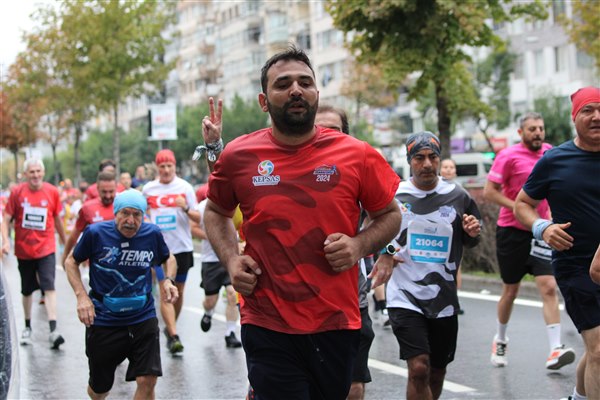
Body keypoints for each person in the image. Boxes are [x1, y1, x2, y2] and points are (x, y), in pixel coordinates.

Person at [202, 47, 402, 399]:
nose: (296, 90)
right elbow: (215, 211)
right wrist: (231, 260)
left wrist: (358, 245)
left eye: (305, 82)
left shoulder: (356, 153)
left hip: (335, 320)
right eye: (283, 84)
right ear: (264, 101)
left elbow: (390, 214)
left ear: (316, 94)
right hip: (266, 319)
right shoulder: (238, 155)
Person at [379, 132, 481, 400]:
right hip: (404, 295)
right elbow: (373, 232)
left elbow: (472, 239)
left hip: (443, 298)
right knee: (419, 368)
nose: (427, 164)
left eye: (433, 157)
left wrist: (472, 232)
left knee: (436, 372)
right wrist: (387, 251)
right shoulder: (394, 195)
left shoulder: (457, 195)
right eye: (419, 158)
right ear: (409, 161)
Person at [514, 86, 600, 400]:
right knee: (599, 349)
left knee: (596, 351)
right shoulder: (555, 160)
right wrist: (543, 227)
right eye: (587, 110)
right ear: (574, 117)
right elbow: (522, 204)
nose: (596, 117)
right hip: (575, 266)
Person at [64, 189, 179, 399]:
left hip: (142, 316)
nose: (130, 221)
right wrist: (82, 296)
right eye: (125, 213)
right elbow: (71, 261)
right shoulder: (95, 233)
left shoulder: (152, 233)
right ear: (115, 213)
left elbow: (168, 258)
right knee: (99, 390)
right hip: (105, 319)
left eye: (137, 215)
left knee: (148, 380)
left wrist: (168, 280)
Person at [484, 112, 575, 370]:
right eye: (532, 129)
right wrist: (520, 207)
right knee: (510, 291)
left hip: (542, 231)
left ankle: (555, 349)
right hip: (512, 232)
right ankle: (500, 338)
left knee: (548, 286)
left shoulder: (550, 154)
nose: (538, 133)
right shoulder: (508, 156)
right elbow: (490, 192)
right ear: (520, 132)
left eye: (541, 128)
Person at [315, 104, 382, 400]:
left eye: (335, 130)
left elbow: (387, 216)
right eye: (320, 129)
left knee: (353, 386)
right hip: (298, 302)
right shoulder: (290, 166)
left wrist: (364, 246)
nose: (327, 136)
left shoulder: (359, 166)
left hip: (351, 298)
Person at [1, 158, 67, 349]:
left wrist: (65, 244)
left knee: (49, 286)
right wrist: (5, 240)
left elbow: (57, 219)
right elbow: (6, 219)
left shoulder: (52, 191)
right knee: (27, 290)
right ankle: (27, 327)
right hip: (24, 250)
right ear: (25, 174)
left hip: (46, 248)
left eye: (38, 171)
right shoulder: (17, 192)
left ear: (43, 173)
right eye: (32, 172)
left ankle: (53, 330)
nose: (36, 175)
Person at [143, 149, 198, 355]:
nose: (166, 170)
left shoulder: (185, 187)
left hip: (182, 247)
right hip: (160, 250)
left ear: (174, 167)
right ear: (157, 168)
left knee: (178, 292)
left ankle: (170, 326)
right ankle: (174, 335)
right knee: (165, 289)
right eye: (162, 166)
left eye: (169, 166)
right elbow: (141, 214)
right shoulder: (149, 189)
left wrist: (185, 208)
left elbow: (199, 217)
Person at [191, 198, 242, 348]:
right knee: (210, 301)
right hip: (211, 260)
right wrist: (215, 237)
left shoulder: (238, 203)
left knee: (232, 294)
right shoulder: (203, 206)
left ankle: (230, 333)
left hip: (231, 257)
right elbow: (193, 228)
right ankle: (208, 312)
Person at [62, 171, 118, 264]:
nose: (108, 196)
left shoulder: (125, 207)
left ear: (116, 188)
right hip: (98, 263)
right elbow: (74, 235)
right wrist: (65, 255)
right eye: (104, 192)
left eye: (111, 191)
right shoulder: (87, 208)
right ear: (97, 188)